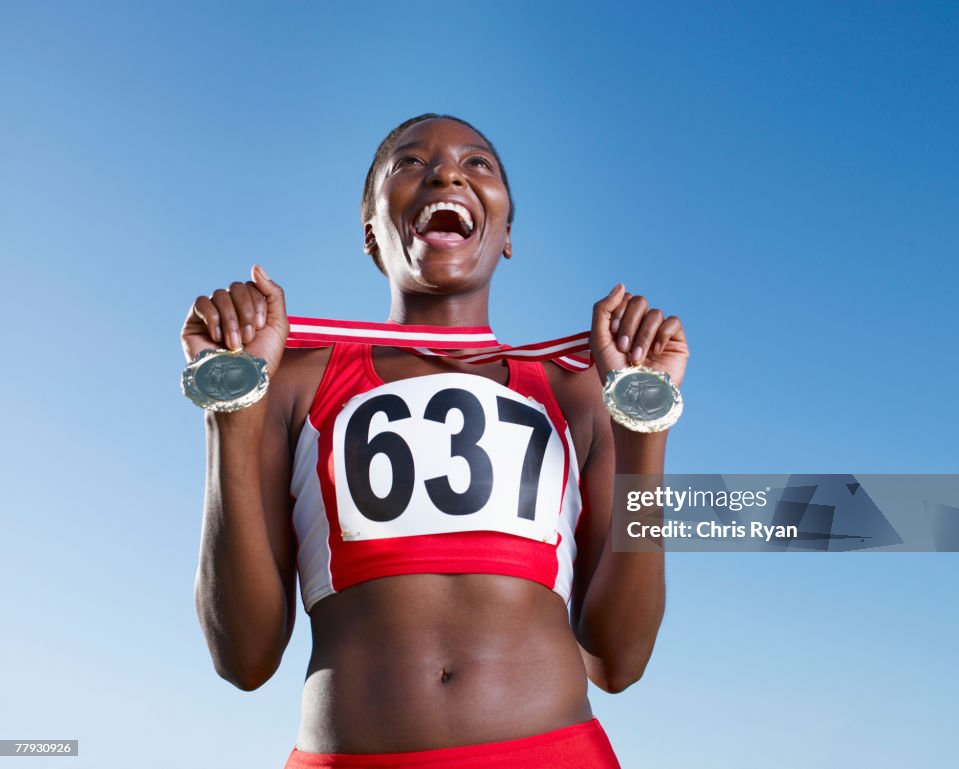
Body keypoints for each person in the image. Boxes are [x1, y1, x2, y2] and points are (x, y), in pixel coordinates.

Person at [181, 114, 689, 768]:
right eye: (410, 163)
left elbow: (620, 660)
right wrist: (230, 406)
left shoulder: (576, 392)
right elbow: (243, 657)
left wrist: (644, 425)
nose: (447, 172)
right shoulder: (291, 383)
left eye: (478, 164)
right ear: (371, 232)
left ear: (507, 233)